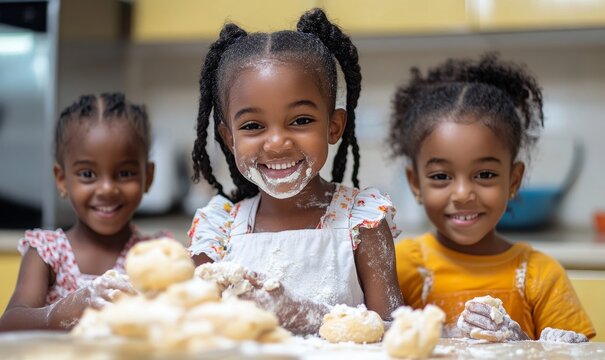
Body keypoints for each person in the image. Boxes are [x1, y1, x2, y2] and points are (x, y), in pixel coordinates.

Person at [187, 8, 403, 335]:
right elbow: (191, 329)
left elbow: (397, 334)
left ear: (334, 126)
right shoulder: (219, 231)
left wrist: (307, 315)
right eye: (253, 126)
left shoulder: (362, 222)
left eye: (301, 121)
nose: (276, 143)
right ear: (229, 139)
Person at [389, 53, 595, 342]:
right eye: (440, 177)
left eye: (484, 175)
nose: (462, 194)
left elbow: (574, 352)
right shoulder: (402, 267)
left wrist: (521, 345)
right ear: (415, 184)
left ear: (513, 180)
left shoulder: (540, 275)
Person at [0, 93, 167, 331]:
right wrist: (58, 313)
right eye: (88, 174)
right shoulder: (47, 253)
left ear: (148, 177)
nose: (107, 189)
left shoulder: (156, 253)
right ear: (62, 180)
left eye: (125, 174)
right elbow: (8, 325)